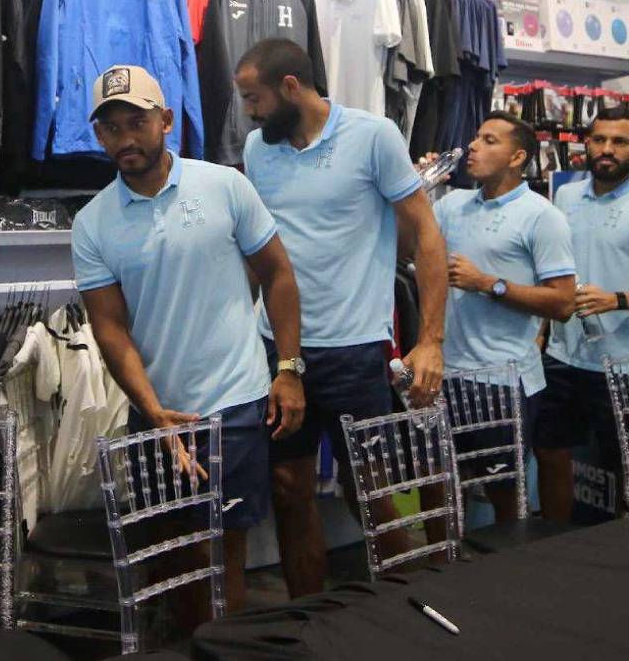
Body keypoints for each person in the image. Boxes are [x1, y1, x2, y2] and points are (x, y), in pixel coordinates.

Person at [71, 64, 305, 617]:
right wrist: (152, 410)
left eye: (137, 122)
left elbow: (278, 274)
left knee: (223, 559)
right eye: (111, 128)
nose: (125, 139)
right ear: (99, 135)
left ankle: (230, 649)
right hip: (157, 413)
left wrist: (289, 368)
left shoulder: (224, 185)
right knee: (168, 559)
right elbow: (109, 327)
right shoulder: (92, 222)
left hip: (235, 404)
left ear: (167, 120)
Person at [234, 38, 447, 596]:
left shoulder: (373, 135)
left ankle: (409, 608)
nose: (248, 113)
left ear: (289, 87)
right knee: (288, 487)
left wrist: (430, 339)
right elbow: (261, 253)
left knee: (370, 489)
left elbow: (426, 234)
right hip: (280, 348)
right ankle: (307, 617)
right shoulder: (258, 149)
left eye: (253, 99)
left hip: (355, 348)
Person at [429, 112, 575, 527]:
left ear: (517, 157)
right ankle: (441, 566)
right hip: (444, 374)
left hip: (501, 381)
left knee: (505, 495)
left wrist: (488, 284)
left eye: (489, 140)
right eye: (476, 137)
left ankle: (512, 567)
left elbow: (563, 303)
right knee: (438, 489)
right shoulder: (451, 204)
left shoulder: (541, 216)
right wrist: (416, 188)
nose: (473, 146)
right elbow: (407, 249)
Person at [535, 107, 629, 522]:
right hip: (563, 355)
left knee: (622, 465)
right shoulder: (566, 196)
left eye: (620, 142)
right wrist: (541, 331)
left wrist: (618, 300)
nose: (607, 149)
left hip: (620, 363)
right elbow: (552, 271)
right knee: (549, 450)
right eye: (599, 139)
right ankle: (554, 542)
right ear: (586, 144)